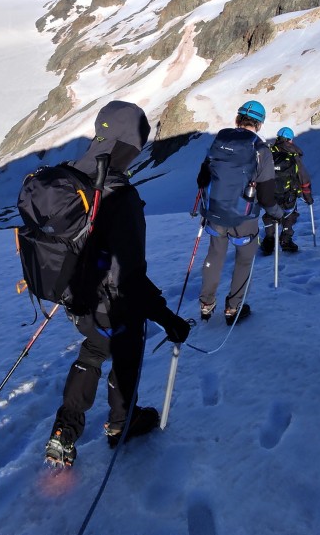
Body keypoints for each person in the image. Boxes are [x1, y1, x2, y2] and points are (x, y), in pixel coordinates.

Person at [45, 100, 191, 468]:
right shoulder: (121, 197)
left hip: (74, 299)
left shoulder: (68, 177)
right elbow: (130, 275)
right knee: (127, 353)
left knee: (93, 351)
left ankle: (64, 431)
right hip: (112, 304)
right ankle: (121, 424)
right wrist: (165, 317)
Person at [196, 100, 283, 325]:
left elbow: (202, 178)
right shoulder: (261, 150)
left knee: (215, 255)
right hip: (244, 217)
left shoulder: (220, 141)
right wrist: (277, 212)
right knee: (244, 260)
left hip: (215, 213)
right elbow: (265, 195)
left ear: (237, 119)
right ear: (260, 124)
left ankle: (206, 303)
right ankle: (233, 308)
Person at [260, 127, 314, 255]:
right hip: (289, 194)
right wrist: (308, 197)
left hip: (269, 194)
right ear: (290, 139)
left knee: (270, 215)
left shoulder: (268, 152)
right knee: (289, 215)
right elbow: (303, 178)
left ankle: (269, 241)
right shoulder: (293, 155)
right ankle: (286, 240)